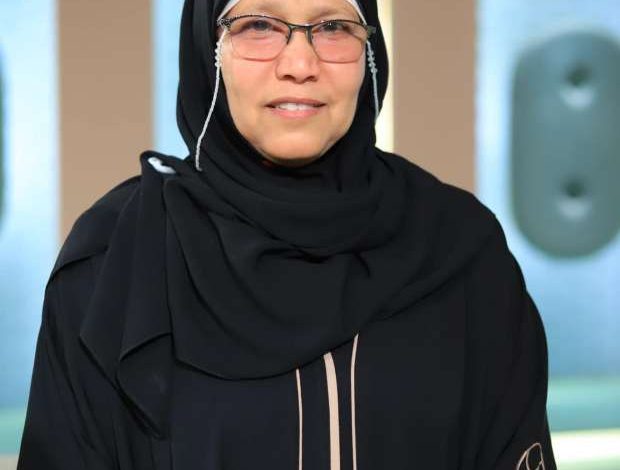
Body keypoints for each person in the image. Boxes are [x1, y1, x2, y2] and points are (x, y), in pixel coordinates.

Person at [17, 0, 558, 468]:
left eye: (333, 27)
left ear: (370, 53)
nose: (300, 65)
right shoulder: (117, 260)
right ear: (208, 49)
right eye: (258, 25)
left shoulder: (459, 249)